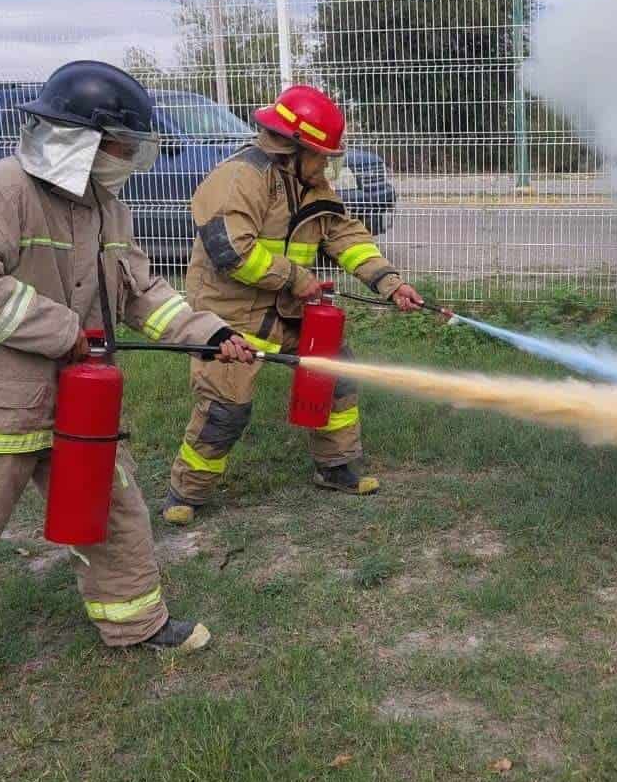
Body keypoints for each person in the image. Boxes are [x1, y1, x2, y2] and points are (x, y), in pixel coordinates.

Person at [0, 61, 256, 750]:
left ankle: (135, 623)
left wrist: (211, 333)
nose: (127, 162)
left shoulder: (106, 205)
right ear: (77, 138)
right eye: (121, 147)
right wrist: (65, 331)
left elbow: (140, 290)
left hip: (77, 409)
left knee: (113, 516)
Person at [164, 84, 425, 526]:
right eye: (321, 155)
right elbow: (232, 252)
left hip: (288, 314)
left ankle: (336, 468)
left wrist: (389, 282)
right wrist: (297, 278)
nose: (327, 164)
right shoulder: (238, 179)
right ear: (294, 146)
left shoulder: (310, 182)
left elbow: (344, 235)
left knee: (336, 371)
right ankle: (186, 492)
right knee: (226, 409)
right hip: (229, 316)